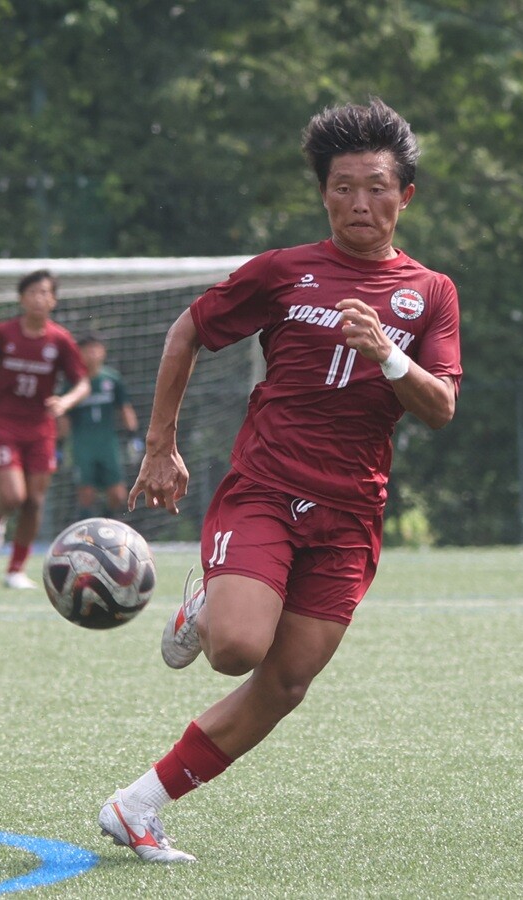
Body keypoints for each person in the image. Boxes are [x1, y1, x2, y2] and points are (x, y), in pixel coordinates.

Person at [97, 98, 462, 863]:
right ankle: (209, 602)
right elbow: (190, 328)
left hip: (353, 513)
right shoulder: (285, 272)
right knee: (234, 648)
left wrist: (389, 356)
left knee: (286, 683)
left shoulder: (431, 293)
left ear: (405, 196)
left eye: (375, 187)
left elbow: (442, 408)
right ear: (323, 193)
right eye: (342, 187)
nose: (359, 202)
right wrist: (159, 444)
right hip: (266, 489)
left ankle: (137, 806)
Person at [0, 269, 90, 589]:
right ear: (21, 298)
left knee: (34, 501)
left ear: (54, 300)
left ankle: (15, 569)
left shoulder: (60, 340)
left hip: (40, 429)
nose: (39, 298)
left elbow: (83, 383)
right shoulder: (4, 333)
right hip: (3, 424)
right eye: (33, 292)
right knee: (14, 495)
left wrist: (66, 402)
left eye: (45, 292)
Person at [60, 333, 139, 520]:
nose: (92, 353)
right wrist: (59, 446)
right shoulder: (71, 383)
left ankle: (108, 523)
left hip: (108, 445)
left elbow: (124, 409)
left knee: (118, 495)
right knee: (86, 494)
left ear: (103, 351)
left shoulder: (112, 380)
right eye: (87, 349)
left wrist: (133, 436)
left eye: (96, 348)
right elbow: (63, 417)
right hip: (82, 445)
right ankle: (85, 534)